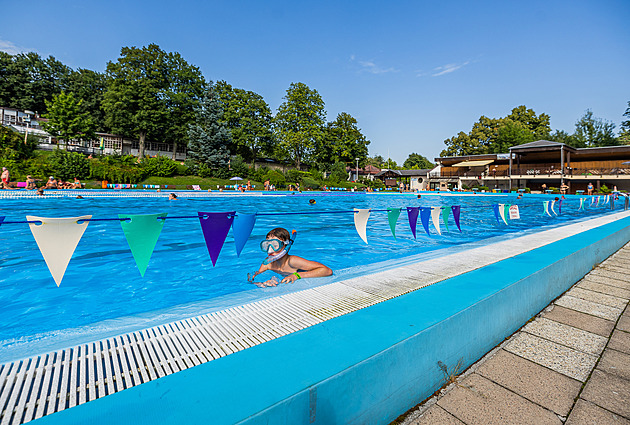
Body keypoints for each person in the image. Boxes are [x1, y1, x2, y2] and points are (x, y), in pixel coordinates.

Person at [248, 228, 332, 287]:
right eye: (267, 245)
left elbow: (327, 271)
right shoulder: (268, 263)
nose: (270, 250)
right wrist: (261, 283)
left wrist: (297, 275)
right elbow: (252, 278)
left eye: (275, 245)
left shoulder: (293, 261)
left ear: (286, 246)